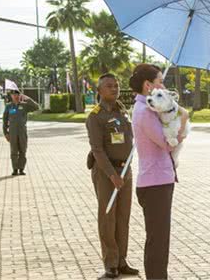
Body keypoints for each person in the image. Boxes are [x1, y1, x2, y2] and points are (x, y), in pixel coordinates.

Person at [130, 64, 188, 280]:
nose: (163, 85)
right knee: (157, 240)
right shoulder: (145, 112)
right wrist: (183, 122)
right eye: (159, 81)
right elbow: (168, 144)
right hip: (155, 184)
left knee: (159, 239)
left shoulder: (150, 109)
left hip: (157, 181)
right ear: (148, 85)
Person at [86, 73, 139, 279]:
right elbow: (97, 150)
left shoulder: (123, 111)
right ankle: (110, 263)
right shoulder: (95, 116)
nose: (114, 89)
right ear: (99, 91)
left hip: (125, 171)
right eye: (109, 86)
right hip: (106, 173)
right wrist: (111, 175)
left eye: (116, 85)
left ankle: (122, 260)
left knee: (123, 218)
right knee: (108, 218)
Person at [2, 89, 39, 175]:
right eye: (13, 94)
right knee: (14, 150)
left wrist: (28, 99)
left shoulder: (24, 105)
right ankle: (15, 169)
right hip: (13, 132)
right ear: (11, 96)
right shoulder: (8, 106)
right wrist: (6, 133)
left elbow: (37, 107)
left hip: (22, 131)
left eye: (17, 94)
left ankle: (21, 169)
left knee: (23, 149)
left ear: (19, 95)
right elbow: (4, 121)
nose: (15, 96)